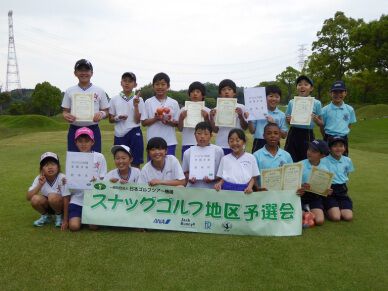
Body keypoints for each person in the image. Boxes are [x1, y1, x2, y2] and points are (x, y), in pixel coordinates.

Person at [62, 127, 107, 231]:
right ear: (75, 142)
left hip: (94, 198)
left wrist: (96, 180)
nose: (83, 144)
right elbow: (69, 184)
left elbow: (104, 179)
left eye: (87, 141)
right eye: (80, 141)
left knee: (93, 227)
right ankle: (80, 216)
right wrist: (67, 181)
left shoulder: (99, 157)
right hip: (77, 199)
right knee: (74, 227)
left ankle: (87, 216)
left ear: (93, 142)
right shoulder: (72, 158)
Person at [109, 72, 145, 167]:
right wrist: (118, 117)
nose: (127, 83)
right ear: (121, 83)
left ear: (135, 84)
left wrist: (136, 106)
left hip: (134, 132)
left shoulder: (139, 100)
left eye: (130, 81)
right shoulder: (114, 99)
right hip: (119, 134)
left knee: (135, 163)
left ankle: (136, 182)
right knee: (121, 164)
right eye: (125, 81)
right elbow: (110, 119)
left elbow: (137, 121)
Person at [284, 75, 322, 162]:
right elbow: (287, 121)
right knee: (290, 158)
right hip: (293, 133)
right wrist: (288, 120)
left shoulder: (316, 103)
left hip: (308, 134)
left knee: (307, 159)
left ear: (311, 88)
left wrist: (316, 120)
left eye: (306, 84)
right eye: (299, 84)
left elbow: (321, 123)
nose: (302, 86)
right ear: (297, 87)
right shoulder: (292, 102)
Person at [142, 72, 180, 156]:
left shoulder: (174, 103)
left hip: (169, 142)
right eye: (157, 84)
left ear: (168, 86)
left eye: (163, 84)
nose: (160, 87)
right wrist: (156, 118)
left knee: (169, 167)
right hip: (152, 142)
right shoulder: (148, 102)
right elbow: (143, 123)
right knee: (152, 168)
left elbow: (177, 124)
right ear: (153, 86)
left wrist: (167, 120)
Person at [27, 152, 67, 227]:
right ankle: (46, 216)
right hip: (49, 205)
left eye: (53, 164)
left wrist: (66, 216)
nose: (50, 167)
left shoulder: (62, 178)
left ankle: (60, 217)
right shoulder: (39, 178)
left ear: (58, 167)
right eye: (46, 165)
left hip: (62, 206)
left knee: (52, 196)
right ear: (42, 169)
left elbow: (67, 198)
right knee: (35, 199)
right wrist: (40, 185)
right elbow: (28, 197)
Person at [210, 79, 248, 155]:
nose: (226, 92)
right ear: (220, 93)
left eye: (229, 89)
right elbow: (216, 130)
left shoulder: (241, 107)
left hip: (238, 144)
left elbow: (245, 127)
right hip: (221, 144)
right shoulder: (216, 109)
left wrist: (240, 116)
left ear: (234, 93)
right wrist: (211, 118)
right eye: (223, 90)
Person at [215, 129, 259, 193]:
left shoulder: (251, 157)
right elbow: (223, 177)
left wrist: (249, 187)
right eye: (231, 141)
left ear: (244, 142)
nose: (234, 143)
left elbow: (254, 177)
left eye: (238, 141)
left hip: (244, 190)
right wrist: (219, 184)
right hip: (227, 190)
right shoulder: (225, 158)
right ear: (228, 142)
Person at [182, 121, 224, 189]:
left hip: (212, 188)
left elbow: (222, 172)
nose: (202, 136)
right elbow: (185, 172)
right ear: (194, 135)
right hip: (193, 188)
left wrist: (213, 179)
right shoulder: (188, 152)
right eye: (199, 133)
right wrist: (190, 178)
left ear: (211, 135)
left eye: (206, 134)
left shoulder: (218, 151)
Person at [321, 136, 354, 222]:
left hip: (342, 190)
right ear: (330, 148)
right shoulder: (323, 161)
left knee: (348, 217)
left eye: (341, 146)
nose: (338, 148)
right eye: (335, 146)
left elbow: (347, 174)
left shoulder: (348, 160)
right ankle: (325, 208)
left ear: (345, 147)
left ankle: (338, 207)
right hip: (329, 191)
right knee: (336, 217)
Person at [299, 140, 331, 226]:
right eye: (309, 149)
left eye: (314, 151)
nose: (309, 152)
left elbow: (325, 189)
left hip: (315, 198)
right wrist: (301, 186)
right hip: (301, 196)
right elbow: (293, 183)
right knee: (297, 216)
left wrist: (327, 191)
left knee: (320, 221)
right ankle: (305, 212)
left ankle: (307, 212)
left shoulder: (325, 170)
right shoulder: (300, 165)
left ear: (322, 155)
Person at [320, 80, 356, 156]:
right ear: (330, 93)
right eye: (335, 92)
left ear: (345, 93)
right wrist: (326, 137)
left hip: (343, 138)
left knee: (342, 161)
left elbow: (349, 125)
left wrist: (343, 133)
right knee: (327, 161)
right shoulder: (324, 110)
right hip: (328, 137)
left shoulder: (350, 109)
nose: (338, 94)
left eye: (341, 92)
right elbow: (322, 126)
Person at [249, 85, 288, 153]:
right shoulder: (257, 111)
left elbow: (284, 135)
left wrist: (274, 124)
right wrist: (249, 118)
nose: (274, 99)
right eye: (271, 96)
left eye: (277, 96)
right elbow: (252, 131)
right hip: (259, 142)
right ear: (264, 97)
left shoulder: (281, 115)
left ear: (280, 98)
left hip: (275, 142)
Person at [178, 81, 211, 158]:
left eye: (198, 92)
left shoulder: (207, 111)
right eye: (192, 92)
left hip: (203, 144)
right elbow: (180, 129)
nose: (195, 94)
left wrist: (206, 118)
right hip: (187, 143)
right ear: (189, 95)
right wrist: (181, 118)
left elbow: (211, 130)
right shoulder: (183, 109)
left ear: (203, 95)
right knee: (187, 168)